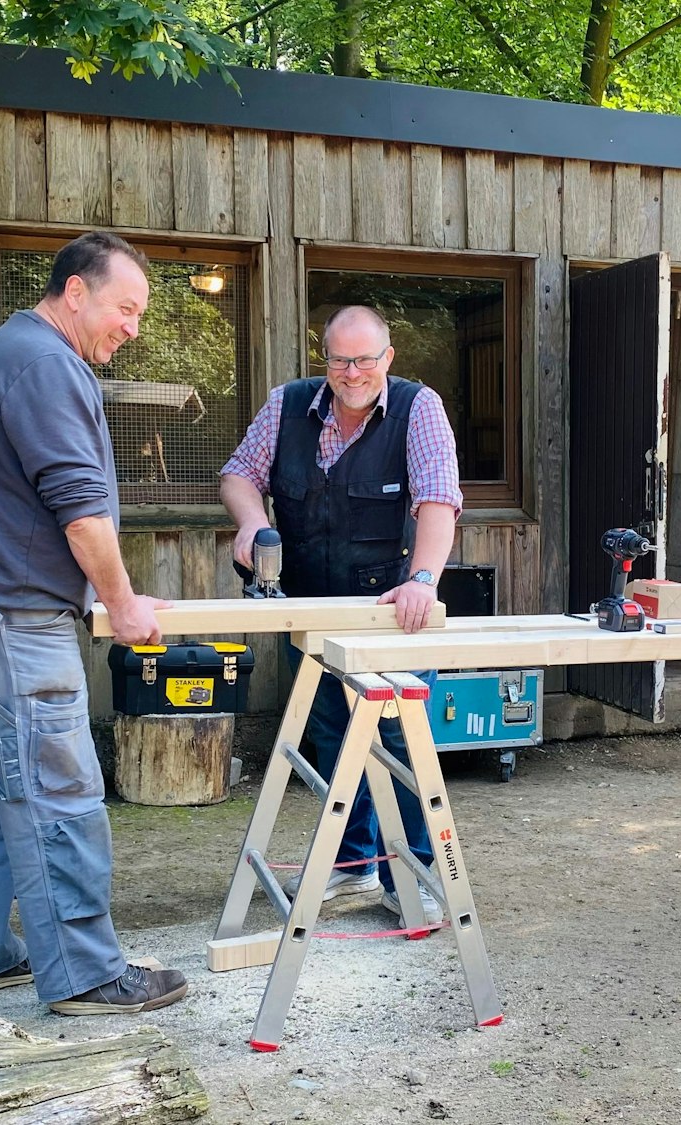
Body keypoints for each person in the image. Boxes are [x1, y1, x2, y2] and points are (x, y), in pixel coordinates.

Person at [0, 231, 188, 1015]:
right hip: (9, 625)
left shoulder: (19, 350)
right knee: (55, 792)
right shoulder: (44, 365)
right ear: (76, 292)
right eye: (124, 308)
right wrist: (127, 601)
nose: (131, 328)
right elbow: (81, 514)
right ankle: (85, 975)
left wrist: (110, 595)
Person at [218, 305, 462, 921]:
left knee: (400, 742)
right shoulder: (288, 404)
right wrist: (252, 520)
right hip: (307, 608)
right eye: (338, 360)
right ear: (323, 357)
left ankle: (420, 877)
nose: (351, 373)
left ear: (388, 359)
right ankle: (353, 867)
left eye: (364, 360)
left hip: (389, 609)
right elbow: (239, 475)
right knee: (329, 733)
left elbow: (438, 499)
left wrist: (423, 580)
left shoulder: (417, 407)